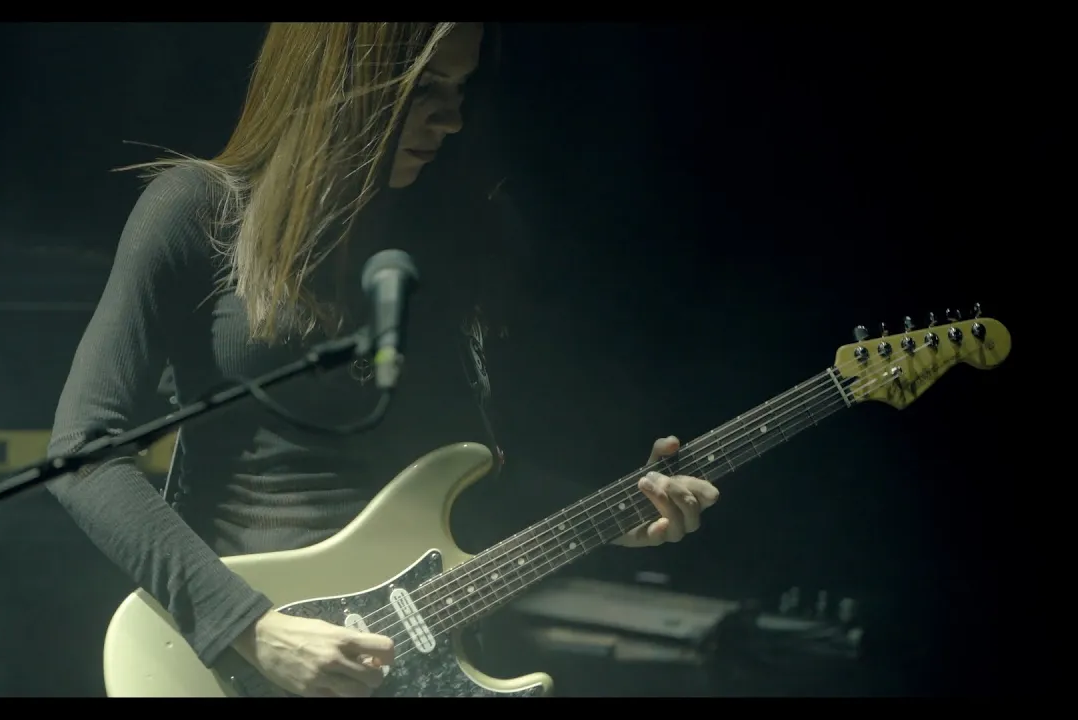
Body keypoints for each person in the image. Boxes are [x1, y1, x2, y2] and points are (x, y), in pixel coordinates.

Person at [47, 21, 720, 698]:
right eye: (425, 88)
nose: (452, 119)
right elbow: (82, 452)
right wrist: (248, 627)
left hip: (421, 660)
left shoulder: (458, 232)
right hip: (242, 660)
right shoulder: (198, 210)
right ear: (336, 83)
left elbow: (468, 469)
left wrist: (615, 513)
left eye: (460, 89)